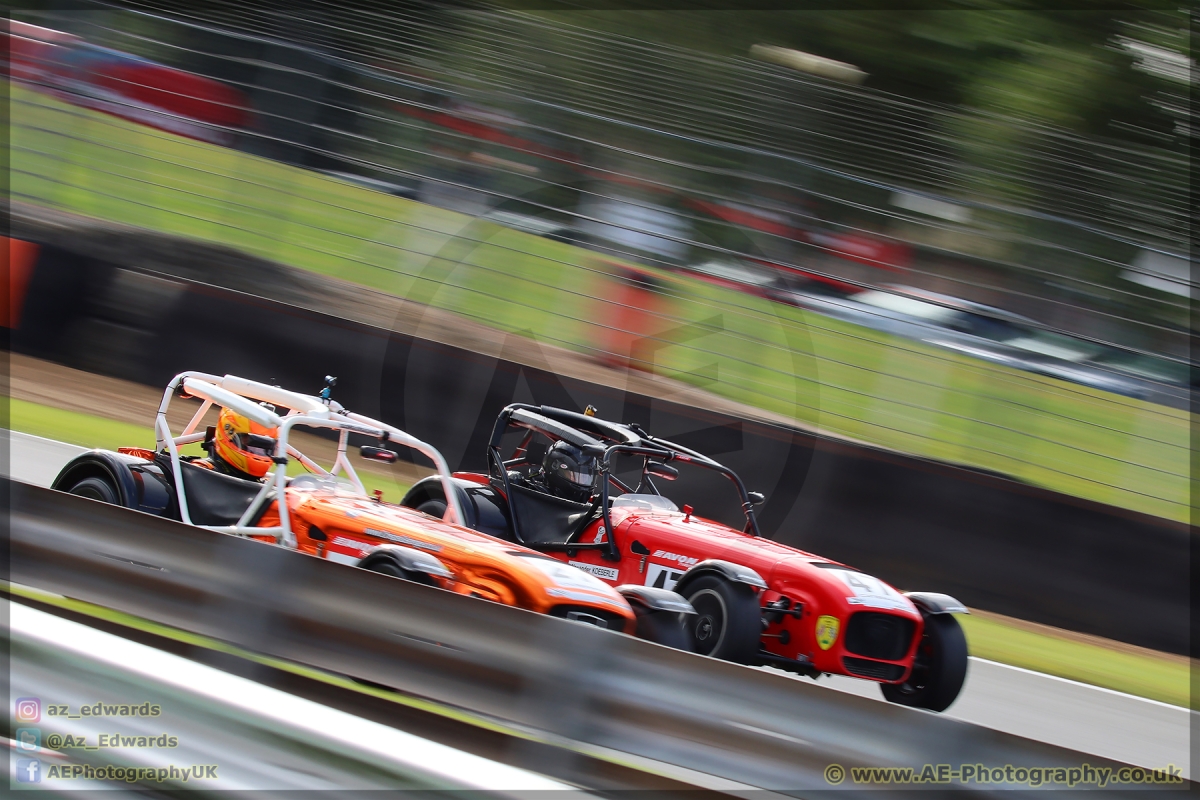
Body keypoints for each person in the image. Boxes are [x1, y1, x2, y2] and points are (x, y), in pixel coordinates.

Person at [199, 407, 279, 482]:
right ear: (228, 433)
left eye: (265, 448)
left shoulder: (271, 489)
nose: (258, 453)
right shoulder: (199, 471)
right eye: (250, 445)